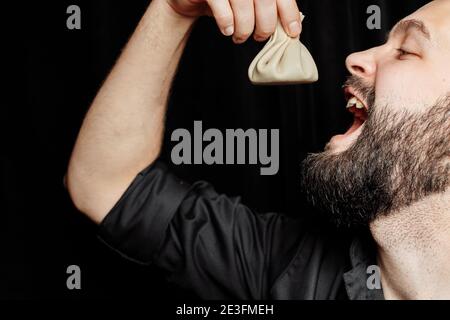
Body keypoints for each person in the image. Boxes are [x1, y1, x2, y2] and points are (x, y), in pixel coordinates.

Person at [66, 0, 450, 299]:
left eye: (406, 51)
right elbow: (106, 185)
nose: (356, 58)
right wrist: (173, 10)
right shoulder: (287, 269)